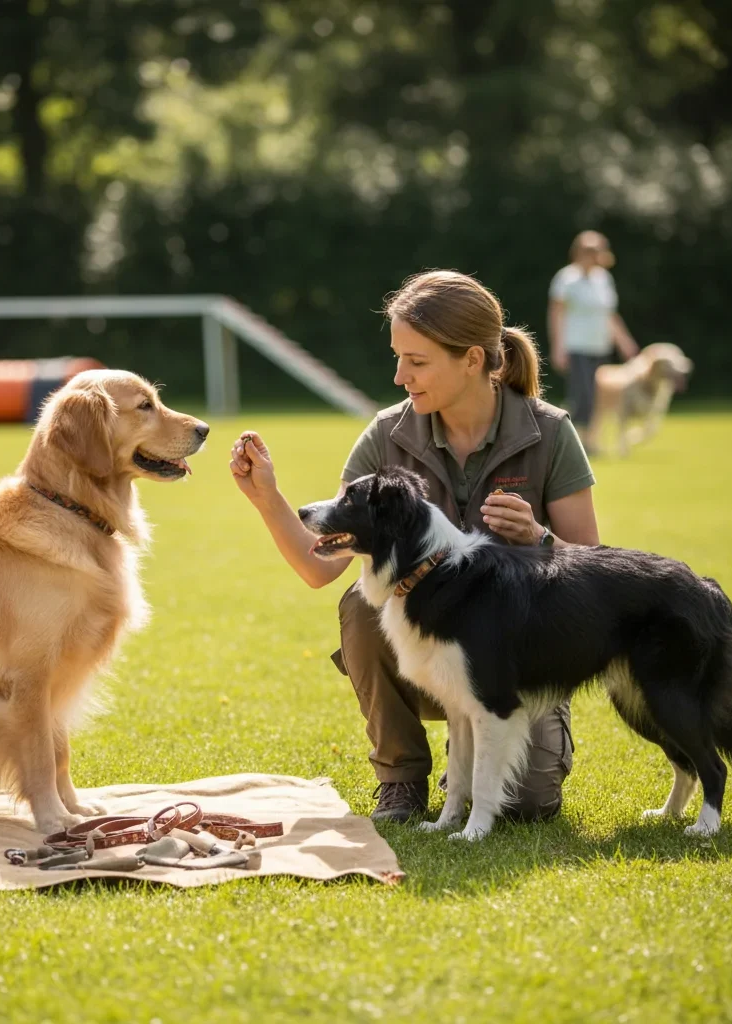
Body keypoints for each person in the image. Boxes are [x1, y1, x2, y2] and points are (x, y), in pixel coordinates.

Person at [229, 269, 601, 823]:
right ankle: (401, 780)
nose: (401, 376)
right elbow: (318, 565)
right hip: (428, 663)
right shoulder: (386, 434)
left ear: (472, 359)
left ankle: (475, 746)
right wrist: (267, 497)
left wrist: (540, 539)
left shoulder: (549, 432)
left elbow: (592, 571)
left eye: (418, 361)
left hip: (516, 671)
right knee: (362, 603)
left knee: (526, 805)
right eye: (398, 357)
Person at [548, 230, 639, 440]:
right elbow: (556, 315)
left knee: (598, 397)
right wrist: (558, 347)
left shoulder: (603, 278)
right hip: (576, 346)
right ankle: (573, 439)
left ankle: (589, 439)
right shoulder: (566, 279)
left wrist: (624, 341)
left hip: (600, 346)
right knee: (583, 396)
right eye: (589, 251)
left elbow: (609, 315)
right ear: (578, 252)